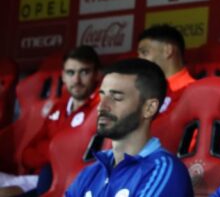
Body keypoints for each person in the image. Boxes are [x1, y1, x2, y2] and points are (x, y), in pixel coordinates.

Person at [65, 58, 193, 197]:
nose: (101, 107)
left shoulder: (164, 170)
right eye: (102, 96)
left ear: (149, 108)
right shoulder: (92, 172)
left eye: (116, 98)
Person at [0, 46, 101, 197]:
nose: (76, 80)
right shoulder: (59, 107)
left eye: (84, 72)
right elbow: (27, 154)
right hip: (35, 174)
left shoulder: (98, 109)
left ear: (97, 74)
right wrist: (52, 154)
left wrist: (48, 153)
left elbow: (76, 156)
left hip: (59, 181)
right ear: (63, 76)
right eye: (70, 73)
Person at [136, 24, 196, 114]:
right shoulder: (143, 92)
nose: (139, 59)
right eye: (139, 54)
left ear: (168, 50)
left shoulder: (194, 91)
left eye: (144, 52)